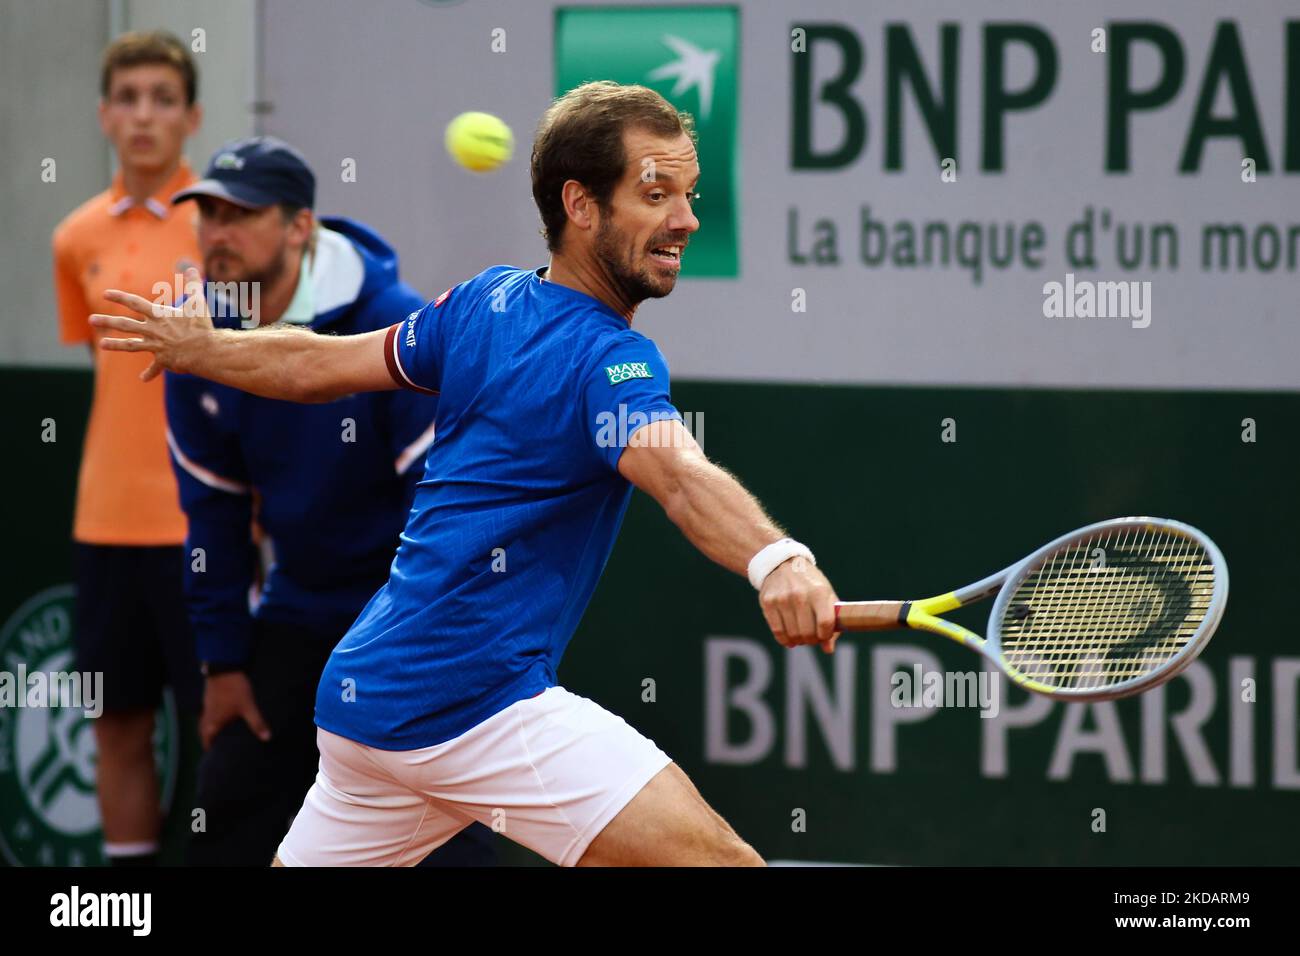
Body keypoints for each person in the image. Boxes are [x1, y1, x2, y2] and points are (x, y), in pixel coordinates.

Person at [91, 81, 841, 867]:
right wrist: (778, 560)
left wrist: (208, 348)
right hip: (474, 704)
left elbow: (317, 364)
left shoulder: (486, 302)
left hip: (367, 705)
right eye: (656, 195)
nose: (686, 219)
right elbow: (678, 474)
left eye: (688, 195)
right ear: (580, 206)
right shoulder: (609, 359)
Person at [163, 136, 495, 866]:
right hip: (299, 607)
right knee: (228, 799)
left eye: (240, 214)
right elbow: (213, 517)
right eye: (208, 214)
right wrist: (222, 664)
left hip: (408, 608)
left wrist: (414, 650)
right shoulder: (197, 342)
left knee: (443, 828)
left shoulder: (394, 321)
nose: (217, 233)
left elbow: (438, 510)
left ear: (299, 227)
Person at [51, 30, 204, 867]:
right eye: (129, 99)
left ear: (192, 118)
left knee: (221, 726)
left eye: (163, 99)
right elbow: (103, 369)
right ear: (105, 115)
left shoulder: (220, 229)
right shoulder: (74, 237)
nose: (144, 116)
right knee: (116, 724)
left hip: (203, 528)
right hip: (106, 527)